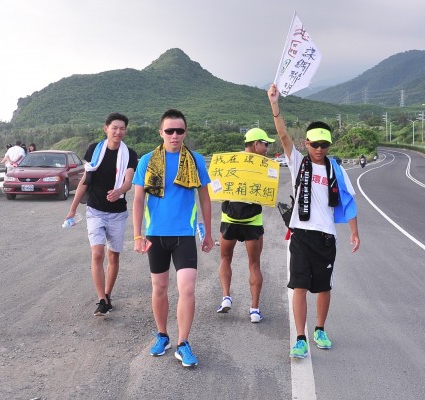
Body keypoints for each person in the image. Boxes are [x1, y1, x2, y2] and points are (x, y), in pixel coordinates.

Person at [268, 83, 360, 359]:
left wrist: (354, 233)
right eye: (314, 144)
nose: (319, 148)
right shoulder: (298, 162)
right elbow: (283, 135)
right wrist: (275, 104)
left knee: (323, 287)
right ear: (306, 143)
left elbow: (348, 200)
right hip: (301, 235)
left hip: (326, 238)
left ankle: (319, 329)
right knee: (299, 286)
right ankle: (300, 337)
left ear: (329, 145)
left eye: (324, 144)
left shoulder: (336, 170)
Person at [132, 109, 214, 368]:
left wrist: (208, 232)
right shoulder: (147, 160)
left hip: (184, 235)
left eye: (179, 130)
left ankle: (183, 342)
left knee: (187, 288)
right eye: (170, 131)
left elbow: (205, 198)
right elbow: (137, 199)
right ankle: (163, 335)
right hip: (155, 235)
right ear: (161, 133)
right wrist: (137, 234)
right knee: (159, 288)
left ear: (185, 132)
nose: (175, 135)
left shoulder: (196, 160)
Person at [65, 112, 138, 317]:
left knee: (112, 255)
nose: (118, 131)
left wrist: (120, 191)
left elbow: (128, 181)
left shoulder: (129, 154)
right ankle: (101, 299)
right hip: (95, 210)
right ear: (106, 128)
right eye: (114, 127)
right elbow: (85, 180)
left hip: (117, 213)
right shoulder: (94, 150)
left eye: (122, 128)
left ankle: (108, 294)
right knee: (97, 253)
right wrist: (72, 208)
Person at [216, 127, 276, 323]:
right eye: (265, 144)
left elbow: (216, 184)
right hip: (252, 221)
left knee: (225, 258)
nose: (266, 148)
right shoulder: (264, 164)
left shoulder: (229, 162)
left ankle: (226, 297)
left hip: (230, 219)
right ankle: (254, 310)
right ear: (256, 144)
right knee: (254, 264)